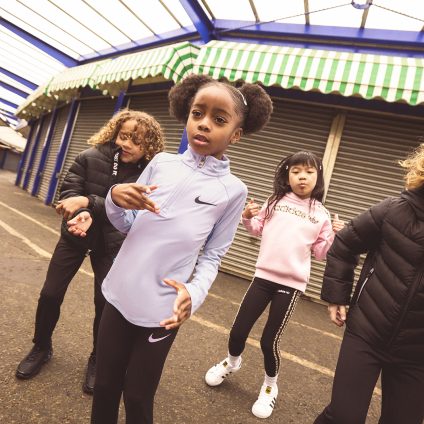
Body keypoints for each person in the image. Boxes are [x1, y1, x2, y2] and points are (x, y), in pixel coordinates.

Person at [89, 74, 273, 424]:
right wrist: (114, 198)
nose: (204, 124)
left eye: (219, 119)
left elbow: (213, 255)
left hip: (164, 310)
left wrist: (194, 292)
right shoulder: (161, 164)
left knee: (138, 397)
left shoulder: (233, 191)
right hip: (119, 294)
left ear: (235, 134)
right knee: (106, 386)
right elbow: (128, 223)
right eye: (197, 113)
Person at [15, 109, 165, 395]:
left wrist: (90, 203)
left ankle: (98, 358)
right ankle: (41, 347)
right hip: (75, 235)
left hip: (111, 243)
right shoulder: (89, 157)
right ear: (115, 133)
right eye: (123, 136)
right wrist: (78, 213)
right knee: (50, 294)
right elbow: (69, 193)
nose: (127, 144)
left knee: (105, 304)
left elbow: (135, 212)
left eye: (136, 141)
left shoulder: (149, 174)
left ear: (149, 145)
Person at [205, 151, 345, 419]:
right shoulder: (275, 201)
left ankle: (270, 386)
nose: (302, 177)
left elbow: (320, 253)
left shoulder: (321, 214)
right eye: (296, 171)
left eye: (309, 172)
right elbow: (256, 228)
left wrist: (336, 237)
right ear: (287, 175)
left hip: (290, 286)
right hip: (262, 278)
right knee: (238, 331)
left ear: (318, 177)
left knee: (269, 341)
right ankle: (232, 363)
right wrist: (247, 216)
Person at [314, 144, 424, 424]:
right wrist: (337, 295)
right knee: (343, 418)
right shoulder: (394, 210)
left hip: (417, 355)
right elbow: (345, 244)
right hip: (367, 331)